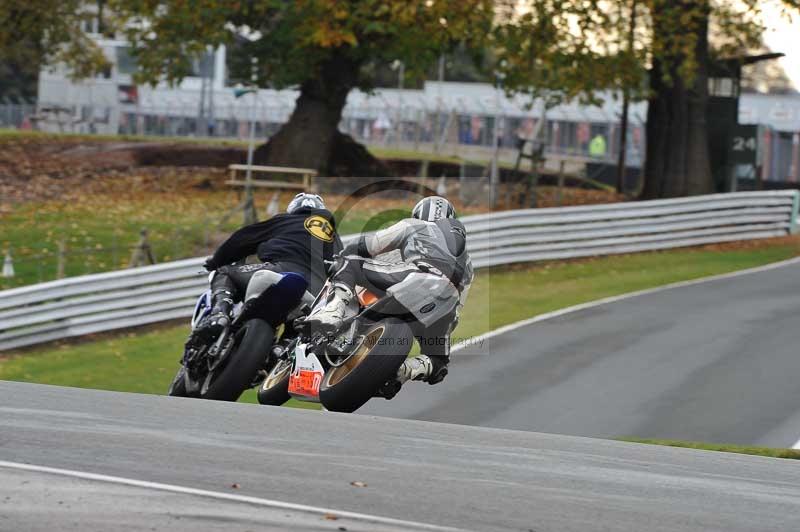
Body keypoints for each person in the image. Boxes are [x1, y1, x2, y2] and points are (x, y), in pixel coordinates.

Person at [306, 196, 473, 388]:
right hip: (447, 305)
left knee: (349, 263)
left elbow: (372, 244)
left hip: (419, 277)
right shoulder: (468, 263)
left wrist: (344, 254)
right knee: (439, 362)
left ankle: (332, 313)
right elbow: (458, 306)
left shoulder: (414, 225)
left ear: (419, 213)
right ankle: (401, 371)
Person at [196, 192, 342, 340]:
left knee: (225, 273)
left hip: (281, 271)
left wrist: (216, 261)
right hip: (318, 296)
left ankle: (220, 314)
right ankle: (278, 352)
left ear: (294, 209)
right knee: (293, 342)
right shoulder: (335, 239)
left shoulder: (285, 220)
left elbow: (241, 240)